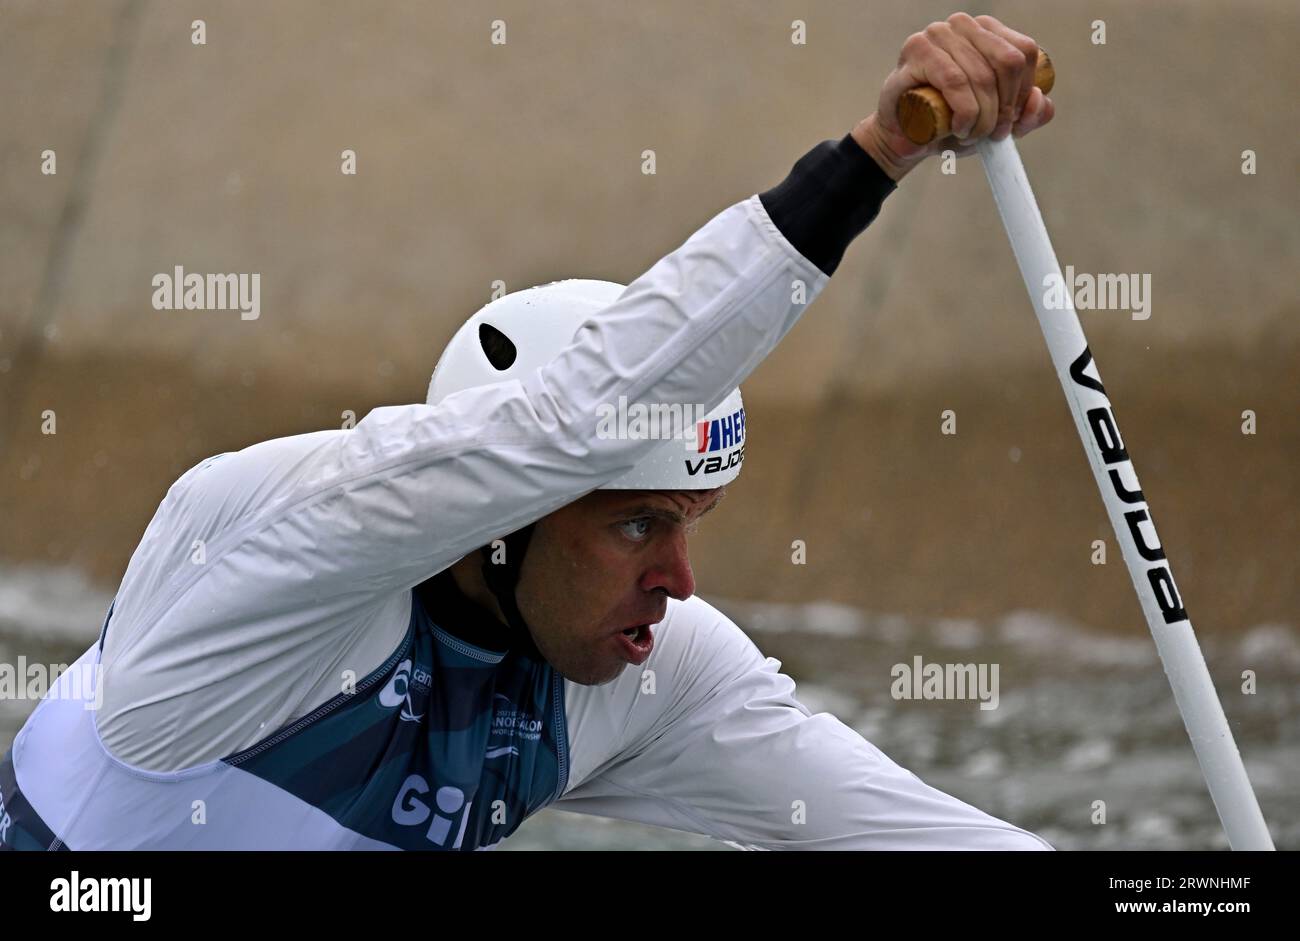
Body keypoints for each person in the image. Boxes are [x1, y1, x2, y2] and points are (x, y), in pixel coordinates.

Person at [1, 13, 1055, 850]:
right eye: (638, 524)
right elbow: (568, 424)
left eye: (692, 520)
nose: (681, 577)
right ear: (496, 517)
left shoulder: (646, 672)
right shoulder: (280, 545)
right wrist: (877, 153)